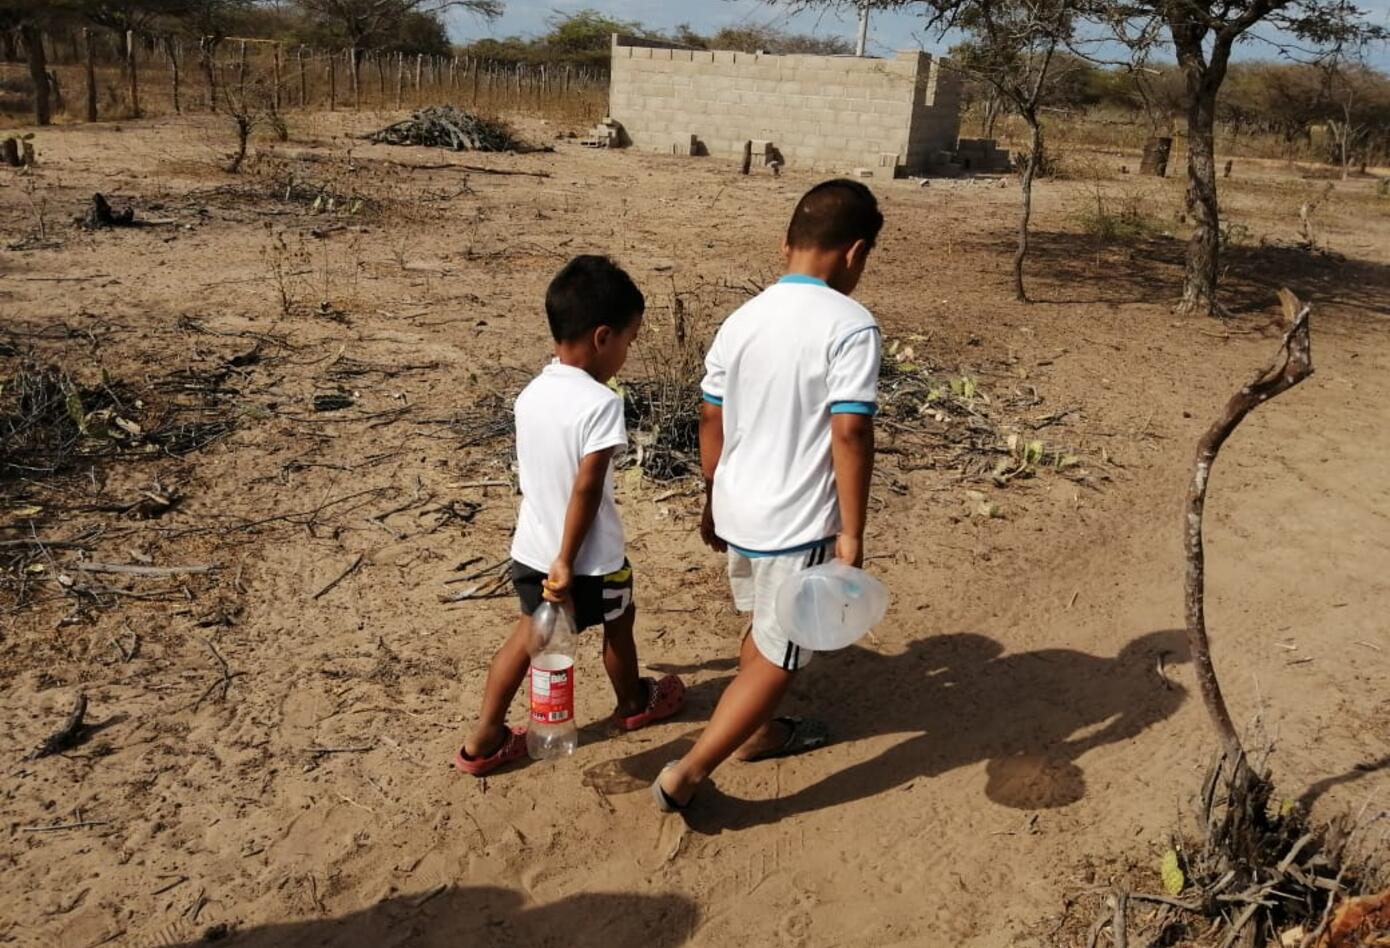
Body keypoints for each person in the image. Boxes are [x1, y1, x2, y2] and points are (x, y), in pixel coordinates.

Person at [653, 180, 884, 811]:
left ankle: (755, 731)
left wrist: (710, 496)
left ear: (787, 243)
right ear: (856, 253)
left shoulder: (743, 319)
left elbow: (709, 416)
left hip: (738, 507)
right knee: (783, 656)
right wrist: (853, 533)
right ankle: (691, 773)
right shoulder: (851, 325)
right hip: (797, 521)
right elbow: (851, 429)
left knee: (767, 628)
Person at [456, 255, 686, 776]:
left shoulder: (531, 394)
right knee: (619, 623)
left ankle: (485, 738)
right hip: (588, 559)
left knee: (526, 635)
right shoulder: (600, 402)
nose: (627, 353)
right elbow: (586, 486)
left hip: (531, 549)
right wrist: (567, 559)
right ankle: (633, 703)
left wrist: (550, 557)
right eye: (629, 341)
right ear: (603, 337)